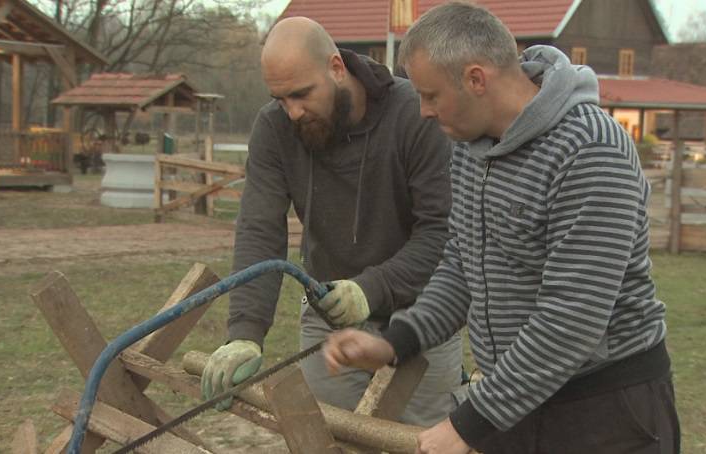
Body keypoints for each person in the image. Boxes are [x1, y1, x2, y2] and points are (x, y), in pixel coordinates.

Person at [324, 3, 681, 453]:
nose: (424, 112)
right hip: (515, 401)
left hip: (602, 410)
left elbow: (571, 318)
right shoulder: (472, 149)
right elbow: (461, 264)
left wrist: (467, 425)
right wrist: (398, 340)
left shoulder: (591, 151)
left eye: (431, 95)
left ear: (476, 79)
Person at [200, 16, 464, 427]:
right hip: (330, 326)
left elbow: (442, 233)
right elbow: (259, 230)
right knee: (329, 439)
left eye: (302, 94)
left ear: (336, 68)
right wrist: (245, 332)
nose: (292, 112)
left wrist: (370, 289)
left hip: (422, 320)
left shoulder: (415, 115)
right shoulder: (274, 128)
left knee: (425, 442)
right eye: (280, 98)